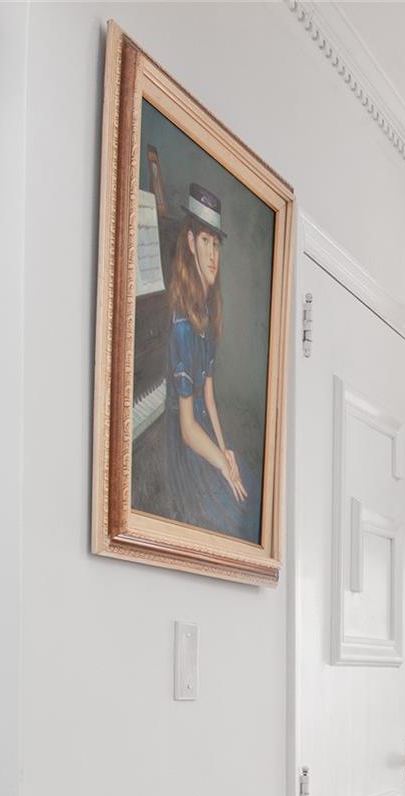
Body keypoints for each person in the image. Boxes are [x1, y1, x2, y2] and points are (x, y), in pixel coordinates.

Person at [160, 182, 250, 535]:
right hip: (186, 444)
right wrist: (220, 465)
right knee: (231, 510)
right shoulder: (182, 324)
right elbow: (186, 429)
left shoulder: (208, 313)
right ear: (190, 244)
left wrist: (225, 451)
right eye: (205, 242)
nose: (213, 254)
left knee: (243, 480)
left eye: (217, 244)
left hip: (205, 436)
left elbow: (209, 398)